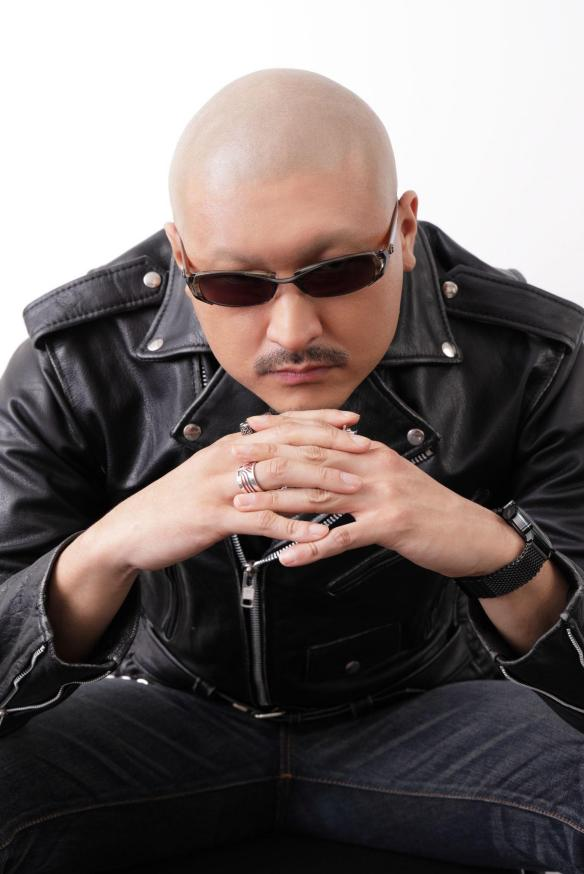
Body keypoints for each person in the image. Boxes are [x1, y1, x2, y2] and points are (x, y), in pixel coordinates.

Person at [0, 67, 583, 874]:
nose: (292, 332)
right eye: (233, 283)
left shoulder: (536, 356)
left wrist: (492, 551)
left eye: (338, 271)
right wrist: (108, 549)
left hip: (436, 722)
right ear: (181, 257)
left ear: (404, 230)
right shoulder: (75, 362)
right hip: (158, 720)